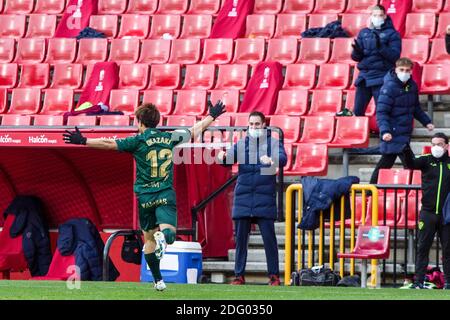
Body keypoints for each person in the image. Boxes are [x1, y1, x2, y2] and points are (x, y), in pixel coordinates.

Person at [63, 101, 226, 291]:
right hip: (165, 193)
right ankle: (162, 242)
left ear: (140, 122)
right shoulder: (169, 137)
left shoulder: (137, 141)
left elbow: (109, 143)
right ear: (157, 121)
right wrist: (212, 116)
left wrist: (83, 141)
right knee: (170, 235)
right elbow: (194, 130)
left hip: (145, 198)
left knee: (148, 241)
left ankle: (158, 280)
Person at [217, 111, 287, 286]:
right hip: (244, 198)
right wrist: (222, 158)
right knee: (241, 241)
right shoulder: (241, 144)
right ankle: (239, 275)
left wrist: (272, 160)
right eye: (251, 124)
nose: (254, 127)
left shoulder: (273, 143)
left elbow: (283, 158)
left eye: (257, 124)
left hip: (264, 198)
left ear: (264, 125)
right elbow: (228, 160)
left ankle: (274, 276)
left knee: (269, 240)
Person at [369, 57, 434, 184]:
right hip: (393, 134)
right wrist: (385, 131)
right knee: (405, 164)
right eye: (401, 69)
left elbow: (415, 108)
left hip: (403, 133)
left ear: (411, 71)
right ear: (396, 69)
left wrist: (427, 122)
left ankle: (372, 190)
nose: (404, 73)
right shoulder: (389, 88)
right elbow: (382, 112)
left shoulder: (412, 86)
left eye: (407, 70)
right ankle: (371, 191)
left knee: (390, 163)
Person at [402, 133, 450, 289]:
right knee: (422, 248)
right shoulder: (426, 160)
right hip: (428, 213)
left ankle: (448, 283)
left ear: (447, 146)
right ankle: (419, 282)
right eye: (434, 143)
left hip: (446, 216)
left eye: (440, 144)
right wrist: (406, 148)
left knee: (448, 250)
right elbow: (410, 164)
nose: (436, 147)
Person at [351, 5, 401, 116]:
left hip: (381, 77)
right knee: (357, 112)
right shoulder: (363, 32)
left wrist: (381, 47)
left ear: (385, 16)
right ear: (371, 16)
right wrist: (356, 51)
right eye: (375, 15)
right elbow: (356, 58)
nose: (377, 18)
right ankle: (360, 133)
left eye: (380, 15)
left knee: (382, 112)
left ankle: (385, 133)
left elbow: (395, 57)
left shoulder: (393, 34)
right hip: (364, 77)